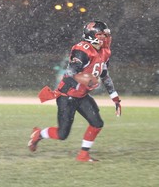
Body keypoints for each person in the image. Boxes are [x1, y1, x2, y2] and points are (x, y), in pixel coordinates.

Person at [28, 21, 122, 162]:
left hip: (82, 95)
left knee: (97, 123)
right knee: (62, 134)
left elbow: (104, 75)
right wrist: (85, 79)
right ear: (91, 36)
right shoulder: (83, 50)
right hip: (67, 96)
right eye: (101, 35)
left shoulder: (105, 51)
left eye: (106, 35)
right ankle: (38, 134)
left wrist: (115, 97)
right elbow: (71, 73)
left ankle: (83, 154)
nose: (105, 38)